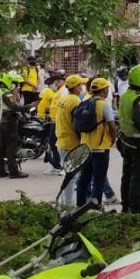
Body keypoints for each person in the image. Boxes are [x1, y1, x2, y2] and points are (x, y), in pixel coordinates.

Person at [117, 64, 140, 215]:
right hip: (139, 144)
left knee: (127, 176)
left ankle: (126, 206)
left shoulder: (126, 94)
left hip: (126, 141)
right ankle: (137, 209)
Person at [77, 78, 118, 206]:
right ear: (105, 90)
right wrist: (113, 139)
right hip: (100, 148)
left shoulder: (85, 101)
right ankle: (95, 205)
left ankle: (80, 204)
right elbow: (112, 126)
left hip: (85, 147)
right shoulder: (104, 104)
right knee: (99, 179)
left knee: (84, 178)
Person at [54, 75, 87, 206]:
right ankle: (68, 205)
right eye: (80, 85)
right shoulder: (75, 101)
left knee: (68, 175)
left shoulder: (64, 99)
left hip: (62, 140)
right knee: (72, 177)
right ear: (76, 87)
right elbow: (77, 124)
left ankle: (63, 202)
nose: (82, 87)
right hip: (71, 143)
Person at [0, 71, 36, 178]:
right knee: (11, 147)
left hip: (1, 120)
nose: (17, 86)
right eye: (15, 83)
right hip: (9, 120)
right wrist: (28, 106)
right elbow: (14, 107)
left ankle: (0, 171)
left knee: (1, 147)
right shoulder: (6, 93)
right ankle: (13, 171)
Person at [38, 75, 63, 175]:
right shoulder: (56, 91)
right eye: (54, 82)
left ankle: (59, 166)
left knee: (56, 144)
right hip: (53, 119)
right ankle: (56, 165)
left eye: (56, 82)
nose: (55, 84)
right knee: (52, 143)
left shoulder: (62, 91)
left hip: (58, 121)